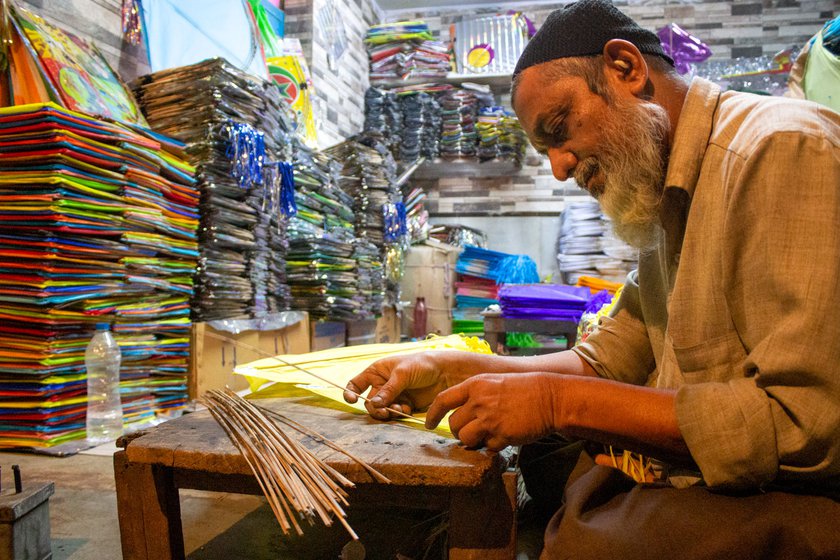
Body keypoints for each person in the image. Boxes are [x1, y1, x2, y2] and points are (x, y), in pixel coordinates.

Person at [344, 0, 840, 557]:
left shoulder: (781, 149)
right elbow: (604, 362)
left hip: (804, 501)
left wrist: (557, 402)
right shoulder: (673, 202)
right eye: (544, 149)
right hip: (728, 487)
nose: (559, 167)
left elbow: (805, 425)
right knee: (544, 475)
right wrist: (447, 369)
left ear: (626, 68)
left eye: (559, 129)